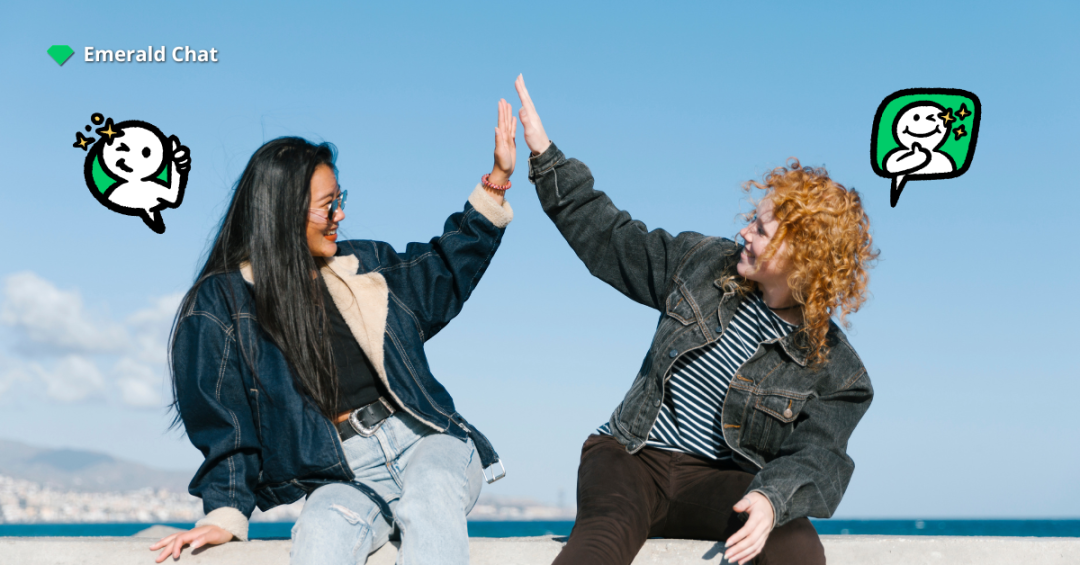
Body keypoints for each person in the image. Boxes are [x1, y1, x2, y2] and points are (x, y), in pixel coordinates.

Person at [513, 75, 877, 565]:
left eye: (761, 228)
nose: (744, 232)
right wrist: (545, 156)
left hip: (716, 481)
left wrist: (772, 500)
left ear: (804, 257)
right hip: (630, 458)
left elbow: (820, 456)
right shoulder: (703, 263)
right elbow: (613, 239)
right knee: (603, 537)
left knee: (796, 547)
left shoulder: (838, 371)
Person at [151, 99, 518, 564]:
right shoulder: (221, 305)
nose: (340, 215)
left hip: (426, 440)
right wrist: (224, 513)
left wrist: (497, 179)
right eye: (328, 205)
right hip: (342, 473)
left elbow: (444, 269)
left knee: (429, 501)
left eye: (340, 201)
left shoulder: (365, 265)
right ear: (285, 211)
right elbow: (224, 417)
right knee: (320, 532)